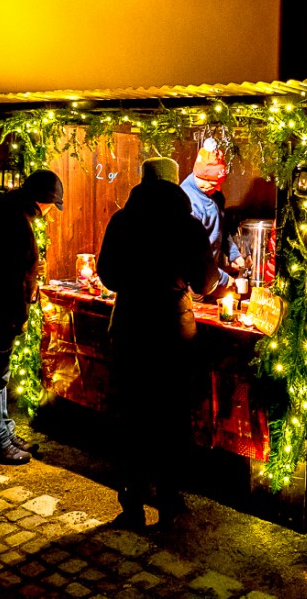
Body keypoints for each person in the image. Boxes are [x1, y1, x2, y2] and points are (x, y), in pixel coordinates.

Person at [97, 156, 220, 528]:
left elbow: (106, 275)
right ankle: (169, 501)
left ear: (142, 182)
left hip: (131, 326)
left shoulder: (122, 221)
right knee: (171, 417)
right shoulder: (187, 226)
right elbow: (206, 282)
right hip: (172, 331)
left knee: (132, 416)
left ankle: (132, 504)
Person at [0, 169, 64, 465]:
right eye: (50, 206)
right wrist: (21, 313)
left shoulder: (5, 212)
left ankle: (3, 431)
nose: (50, 213)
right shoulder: (15, 221)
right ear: (41, 201)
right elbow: (10, 275)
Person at [180, 139, 246, 300]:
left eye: (219, 183)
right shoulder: (188, 203)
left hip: (211, 274)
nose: (216, 188)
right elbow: (193, 257)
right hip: (194, 281)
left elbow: (220, 229)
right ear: (199, 176)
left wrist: (233, 254)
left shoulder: (214, 194)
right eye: (212, 183)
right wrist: (222, 277)